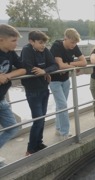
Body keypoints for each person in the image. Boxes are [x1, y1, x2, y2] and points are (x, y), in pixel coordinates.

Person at [20, 30, 59, 155]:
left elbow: (54, 65)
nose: (43, 45)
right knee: (38, 119)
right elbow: (29, 68)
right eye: (40, 43)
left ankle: (38, 144)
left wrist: (44, 71)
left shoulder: (45, 50)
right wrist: (42, 71)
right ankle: (30, 149)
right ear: (31, 41)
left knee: (42, 118)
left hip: (43, 88)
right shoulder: (27, 50)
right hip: (33, 91)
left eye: (44, 43)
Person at [49, 28, 87, 139]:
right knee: (63, 105)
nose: (73, 45)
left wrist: (70, 64)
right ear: (65, 38)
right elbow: (60, 65)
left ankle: (58, 128)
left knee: (61, 105)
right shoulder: (57, 46)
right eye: (72, 42)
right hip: (54, 80)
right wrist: (75, 65)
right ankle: (64, 133)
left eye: (75, 43)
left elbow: (84, 62)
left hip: (66, 80)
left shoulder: (74, 46)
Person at [0, 24, 25, 165]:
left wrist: (8, 75)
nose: (16, 44)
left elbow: (23, 69)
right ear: (1, 40)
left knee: (12, 128)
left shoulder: (10, 53)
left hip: (1, 99)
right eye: (13, 41)